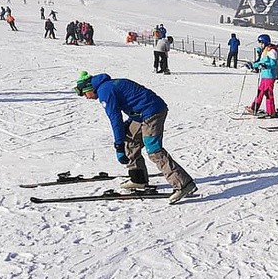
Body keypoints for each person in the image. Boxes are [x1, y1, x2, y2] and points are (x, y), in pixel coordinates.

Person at [74, 71, 197, 204]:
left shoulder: (105, 91)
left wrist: (118, 146)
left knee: (154, 150)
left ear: (89, 89)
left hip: (152, 113)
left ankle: (183, 184)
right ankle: (138, 179)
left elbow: (115, 119)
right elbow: (134, 101)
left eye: (84, 94)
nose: (86, 97)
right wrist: (129, 123)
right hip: (142, 114)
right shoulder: (107, 86)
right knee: (131, 141)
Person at [245, 34, 278, 117]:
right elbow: (261, 62)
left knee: (268, 93)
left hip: (270, 76)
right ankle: (254, 108)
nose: (261, 45)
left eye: (261, 43)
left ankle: (271, 111)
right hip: (264, 75)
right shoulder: (265, 51)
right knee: (260, 92)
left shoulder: (271, 51)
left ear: (265, 42)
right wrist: (253, 65)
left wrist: (265, 66)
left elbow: (274, 64)